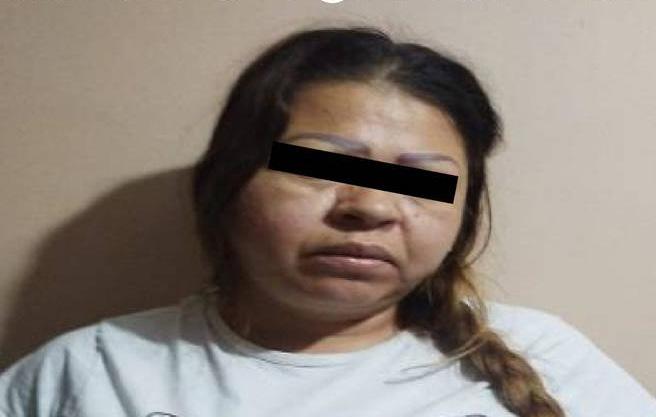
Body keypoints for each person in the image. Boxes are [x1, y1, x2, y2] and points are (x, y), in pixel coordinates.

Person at [1, 25, 655, 417]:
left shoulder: (551, 359)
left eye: (420, 180)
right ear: (228, 183)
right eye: (319, 166)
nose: (370, 206)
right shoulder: (90, 372)